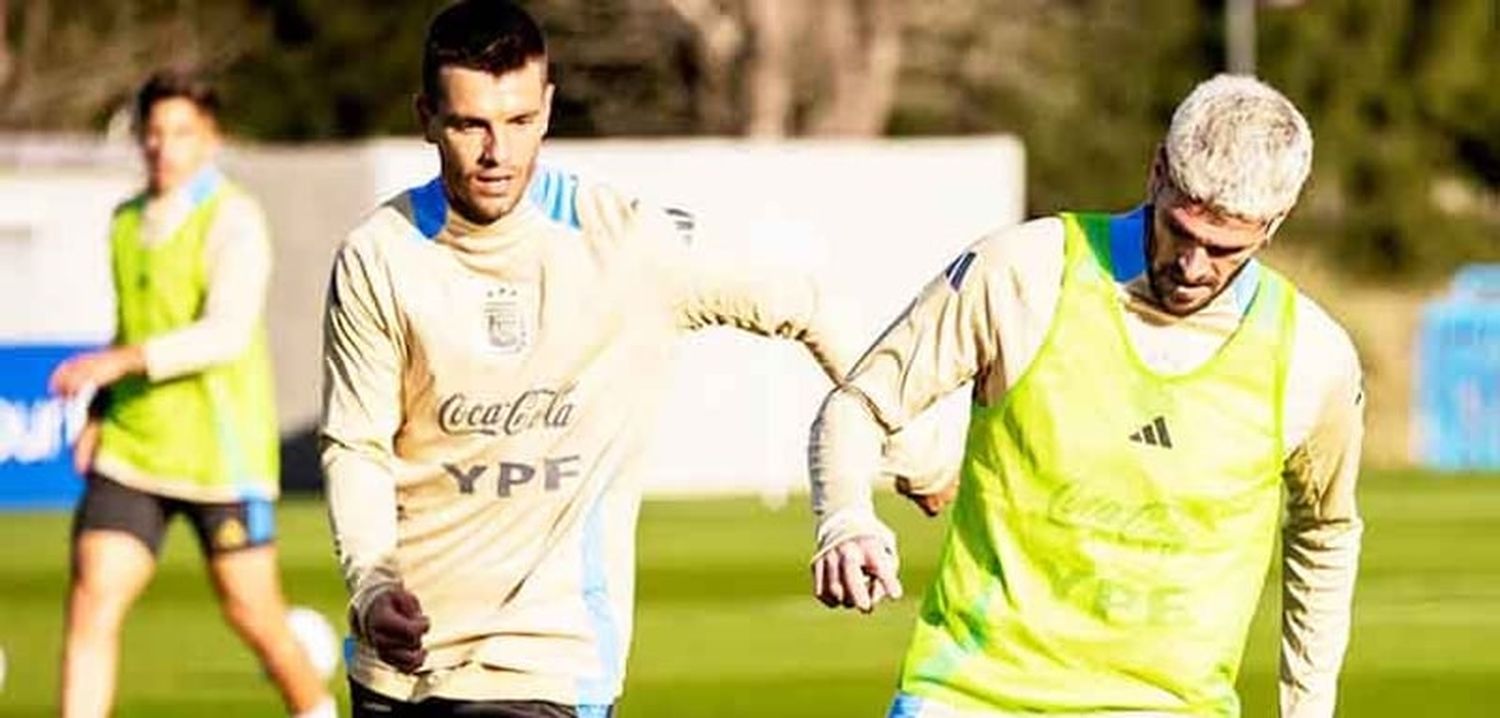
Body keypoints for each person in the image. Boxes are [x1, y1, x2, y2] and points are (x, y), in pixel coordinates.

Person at [319, 2, 940, 715]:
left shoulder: (623, 242)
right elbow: (357, 444)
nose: (499, 153)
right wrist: (371, 583)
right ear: (428, 118)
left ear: (548, 109)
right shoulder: (380, 254)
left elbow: (808, 303)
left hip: (544, 664)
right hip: (396, 663)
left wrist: (915, 448)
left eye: (519, 122)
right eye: (471, 125)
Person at [809, 74, 1364, 718]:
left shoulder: (1313, 357)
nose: (1192, 266)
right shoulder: (1025, 272)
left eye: (1223, 248)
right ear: (1157, 172)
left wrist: (1309, 709)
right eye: (1181, 230)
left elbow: (1324, 532)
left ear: (1275, 223)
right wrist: (845, 518)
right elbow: (860, 405)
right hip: (973, 699)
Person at [47, 71, 334, 717]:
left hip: (219, 452)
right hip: (135, 445)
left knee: (252, 612)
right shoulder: (125, 220)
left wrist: (116, 362)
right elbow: (132, 322)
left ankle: (315, 709)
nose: (163, 146)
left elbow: (225, 335)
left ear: (210, 139)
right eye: (153, 132)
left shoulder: (233, 217)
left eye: (180, 132)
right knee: (93, 598)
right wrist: (99, 410)